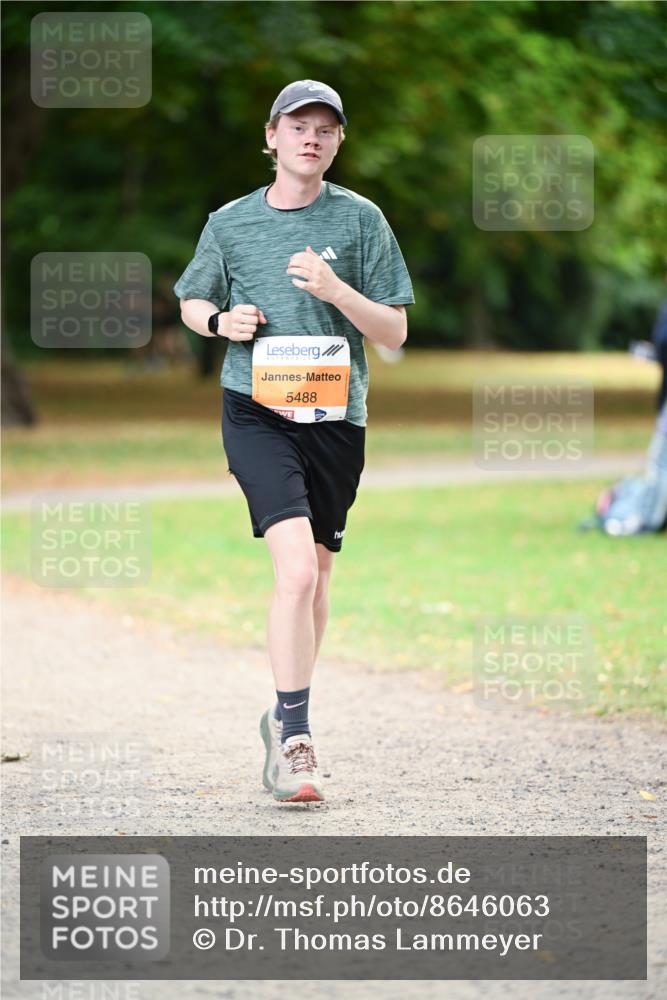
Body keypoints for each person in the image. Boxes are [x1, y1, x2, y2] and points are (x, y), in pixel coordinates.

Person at [173, 80, 414, 803]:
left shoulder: (362, 220)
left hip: (337, 420)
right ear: (272, 136)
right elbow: (191, 298)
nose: (311, 138)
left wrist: (336, 290)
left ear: (338, 143)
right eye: (298, 126)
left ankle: (283, 712)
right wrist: (221, 324)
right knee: (297, 575)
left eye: (326, 129)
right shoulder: (231, 222)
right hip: (256, 410)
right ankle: (296, 737)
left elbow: (395, 333)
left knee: (317, 575)